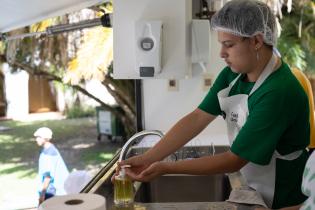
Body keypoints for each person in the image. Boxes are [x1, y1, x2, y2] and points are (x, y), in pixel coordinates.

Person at [116, 0, 310, 209]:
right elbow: (198, 118)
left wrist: (166, 167)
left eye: (229, 44)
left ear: (256, 41)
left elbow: (234, 160)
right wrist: (149, 157)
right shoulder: (234, 76)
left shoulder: (278, 92)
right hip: (256, 188)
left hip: (285, 198)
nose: (221, 54)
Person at [34, 127, 69, 205]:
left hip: (52, 191)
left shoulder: (49, 154)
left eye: (39, 137)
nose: (36, 139)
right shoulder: (48, 149)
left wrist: (42, 195)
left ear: (45, 138)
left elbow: (48, 177)